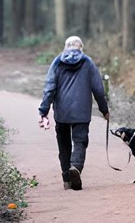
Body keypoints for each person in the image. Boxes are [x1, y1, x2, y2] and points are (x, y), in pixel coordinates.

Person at [38, 36, 109, 191]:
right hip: (82, 112)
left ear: (66, 47)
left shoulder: (57, 62)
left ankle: (67, 179)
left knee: (63, 145)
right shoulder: (88, 63)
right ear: (80, 48)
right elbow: (98, 89)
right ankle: (75, 167)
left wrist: (44, 110)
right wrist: (104, 110)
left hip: (62, 112)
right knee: (80, 141)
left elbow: (49, 88)